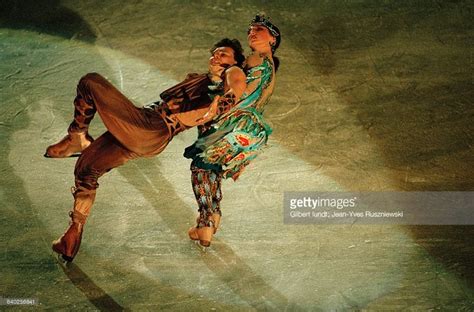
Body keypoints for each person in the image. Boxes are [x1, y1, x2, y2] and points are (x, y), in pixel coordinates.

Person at [47, 38, 247, 262]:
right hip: (147, 133)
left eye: (224, 54)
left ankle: (76, 136)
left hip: (151, 126)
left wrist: (223, 104)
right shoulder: (201, 81)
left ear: (236, 61)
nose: (216, 57)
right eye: (215, 53)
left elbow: (236, 86)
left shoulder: (233, 73)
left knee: (90, 82)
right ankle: (73, 234)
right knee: (86, 169)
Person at [185, 14, 281, 248]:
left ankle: (206, 221)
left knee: (200, 166)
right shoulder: (267, 65)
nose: (252, 33)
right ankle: (213, 214)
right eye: (250, 30)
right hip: (253, 132)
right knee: (212, 167)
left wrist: (218, 108)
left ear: (273, 39)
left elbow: (237, 88)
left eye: (259, 30)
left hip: (235, 123)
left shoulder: (252, 61)